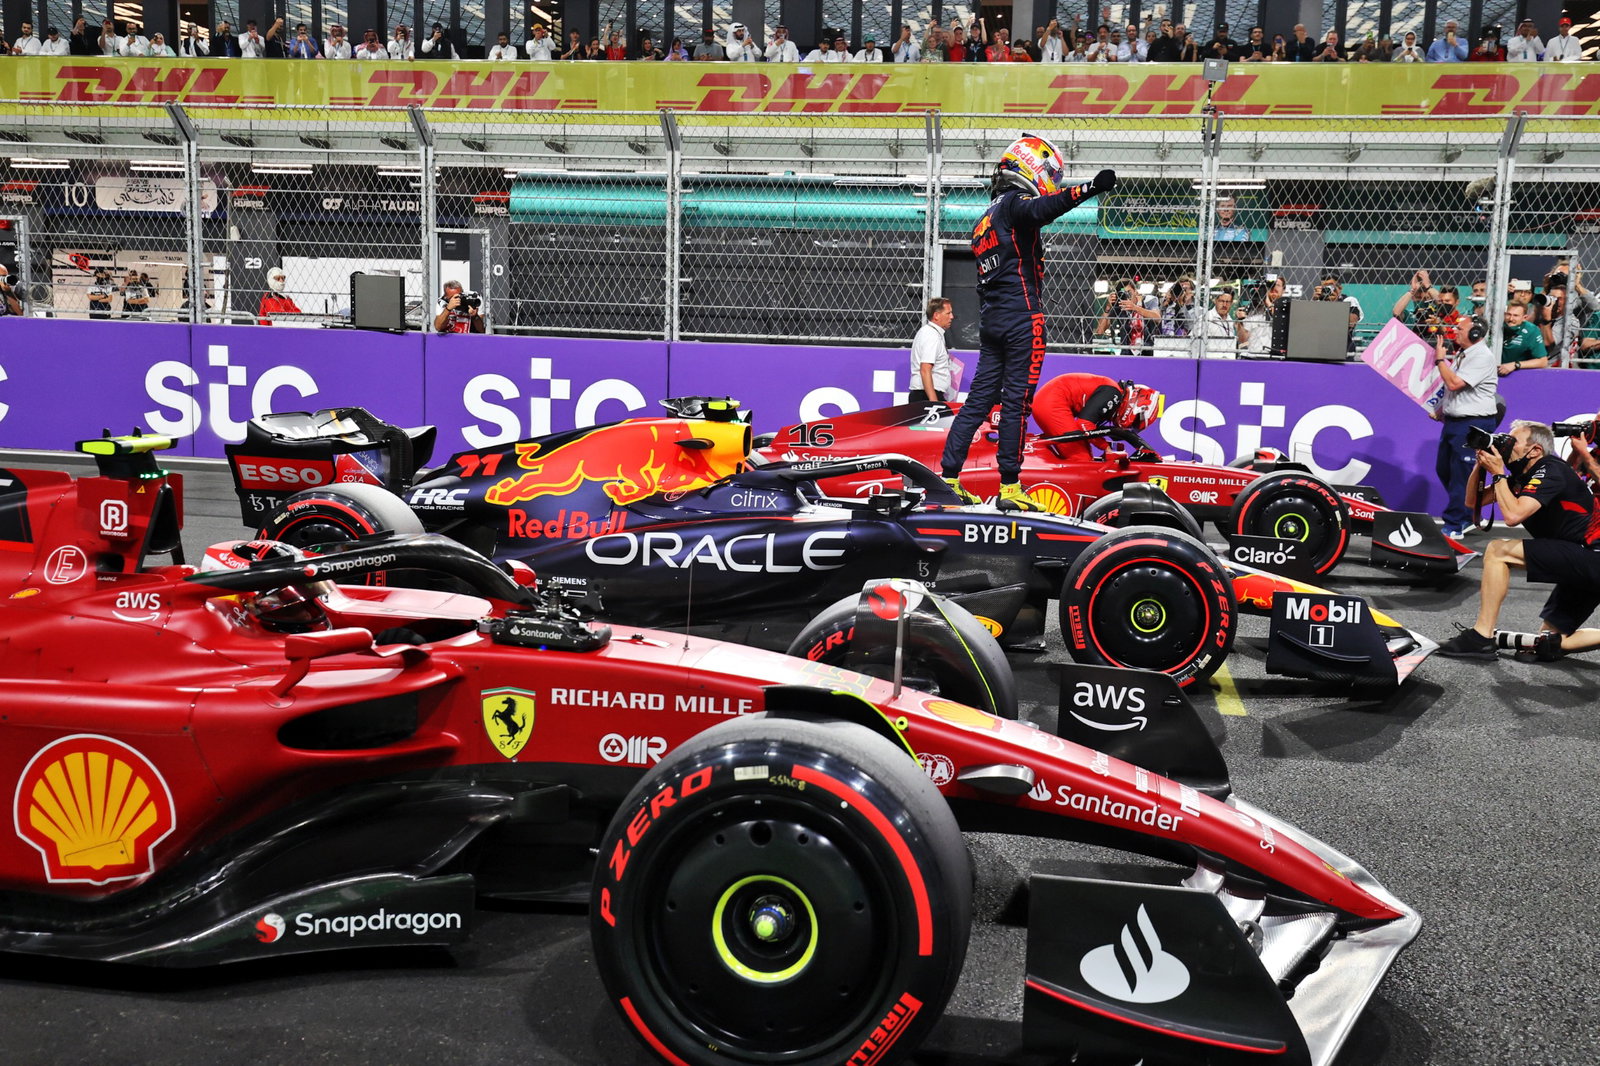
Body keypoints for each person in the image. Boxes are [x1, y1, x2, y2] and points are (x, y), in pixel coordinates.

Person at [939, 136, 1116, 511]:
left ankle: (948, 479)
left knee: (977, 404)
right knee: (1017, 405)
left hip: (992, 322)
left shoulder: (983, 219)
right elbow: (1042, 210)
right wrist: (1089, 189)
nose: (1052, 180)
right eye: (1052, 173)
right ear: (1032, 166)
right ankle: (1010, 488)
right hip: (1023, 320)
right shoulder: (1015, 206)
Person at [1437, 420, 1600, 661]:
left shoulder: (1549, 468)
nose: (1505, 444)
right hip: (1580, 555)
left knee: (1498, 550)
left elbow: (1513, 516)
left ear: (1534, 450)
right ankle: (1548, 646)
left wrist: (1499, 473)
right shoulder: (1521, 477)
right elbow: (1473, 502)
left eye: (1512, 441)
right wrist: (1481, 466)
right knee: (1549, 640)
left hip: (1592, 555)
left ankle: (1482, 636)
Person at [1430, 317, 1498, 538]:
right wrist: (1443, 409)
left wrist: (1440, 360)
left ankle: (1455, 524)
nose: (1454, 331)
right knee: (1445, 469)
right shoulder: (1465, 354)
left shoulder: (1482, 357)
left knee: (1462, 474)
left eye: (1460, 328)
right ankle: (1468, 514)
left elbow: (1454, 383)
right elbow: (1456, 390)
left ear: (1476, 334)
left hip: (1473, 424)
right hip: (1455, 422)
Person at [1032, 374, 1163, 461]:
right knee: (1080, 458)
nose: (1131, 426)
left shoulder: (1113, 392)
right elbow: (1084, 425)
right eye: (1134, 422)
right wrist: (1106, 448)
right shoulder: (1113, 393)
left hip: (1050, 399)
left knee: (1083, 456)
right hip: (1052, 401)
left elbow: (1088, 428)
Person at [1095, 277, 1160, 356]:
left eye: (1129, 293)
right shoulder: (1120, 305)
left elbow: (1158, 318)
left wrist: (1135, 308)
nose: (1127, 296)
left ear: (1136, 291)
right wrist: (1108, 307)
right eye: (1123, 293)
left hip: (1147, 350)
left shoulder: (1149, 300)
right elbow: (1100, 331)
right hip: (1126, 352)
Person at [911, 297, 955, 401]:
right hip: (926, 396)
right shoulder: (931, 336)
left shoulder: (932, 333)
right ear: (936, 315)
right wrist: (933, 403)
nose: (952, 317)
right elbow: (925, 369)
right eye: (948, 313)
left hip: (927, 394)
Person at [1499, 301, 1549, 375]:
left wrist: (1515, 365)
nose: (1511, 319)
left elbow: (1543, 361)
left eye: (1516, 315)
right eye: (1508, 314)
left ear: (1524, 318)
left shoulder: (1531, 331)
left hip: (1518, 375)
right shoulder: (1496, 326)